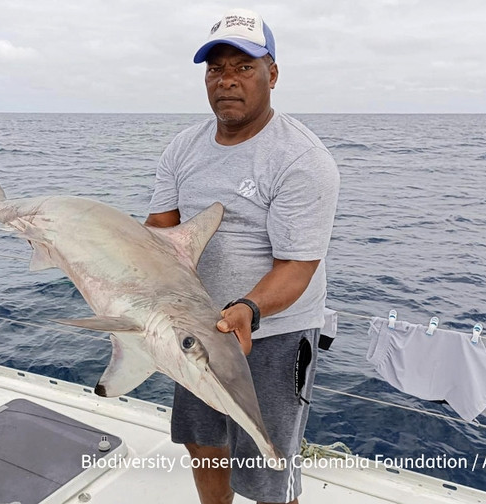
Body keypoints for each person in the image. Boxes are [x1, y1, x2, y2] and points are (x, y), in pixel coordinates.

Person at [146, 9, 340, 504]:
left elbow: (298, 266)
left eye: (243, 67)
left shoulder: (300, 158)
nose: (227, 80)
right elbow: (160, 236)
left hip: (274, 333)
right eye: (216, 69)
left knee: (269, 463)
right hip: (197, 328)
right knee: (204, 441)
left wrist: (249, 310)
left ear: (272, 74)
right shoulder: (182, 149)